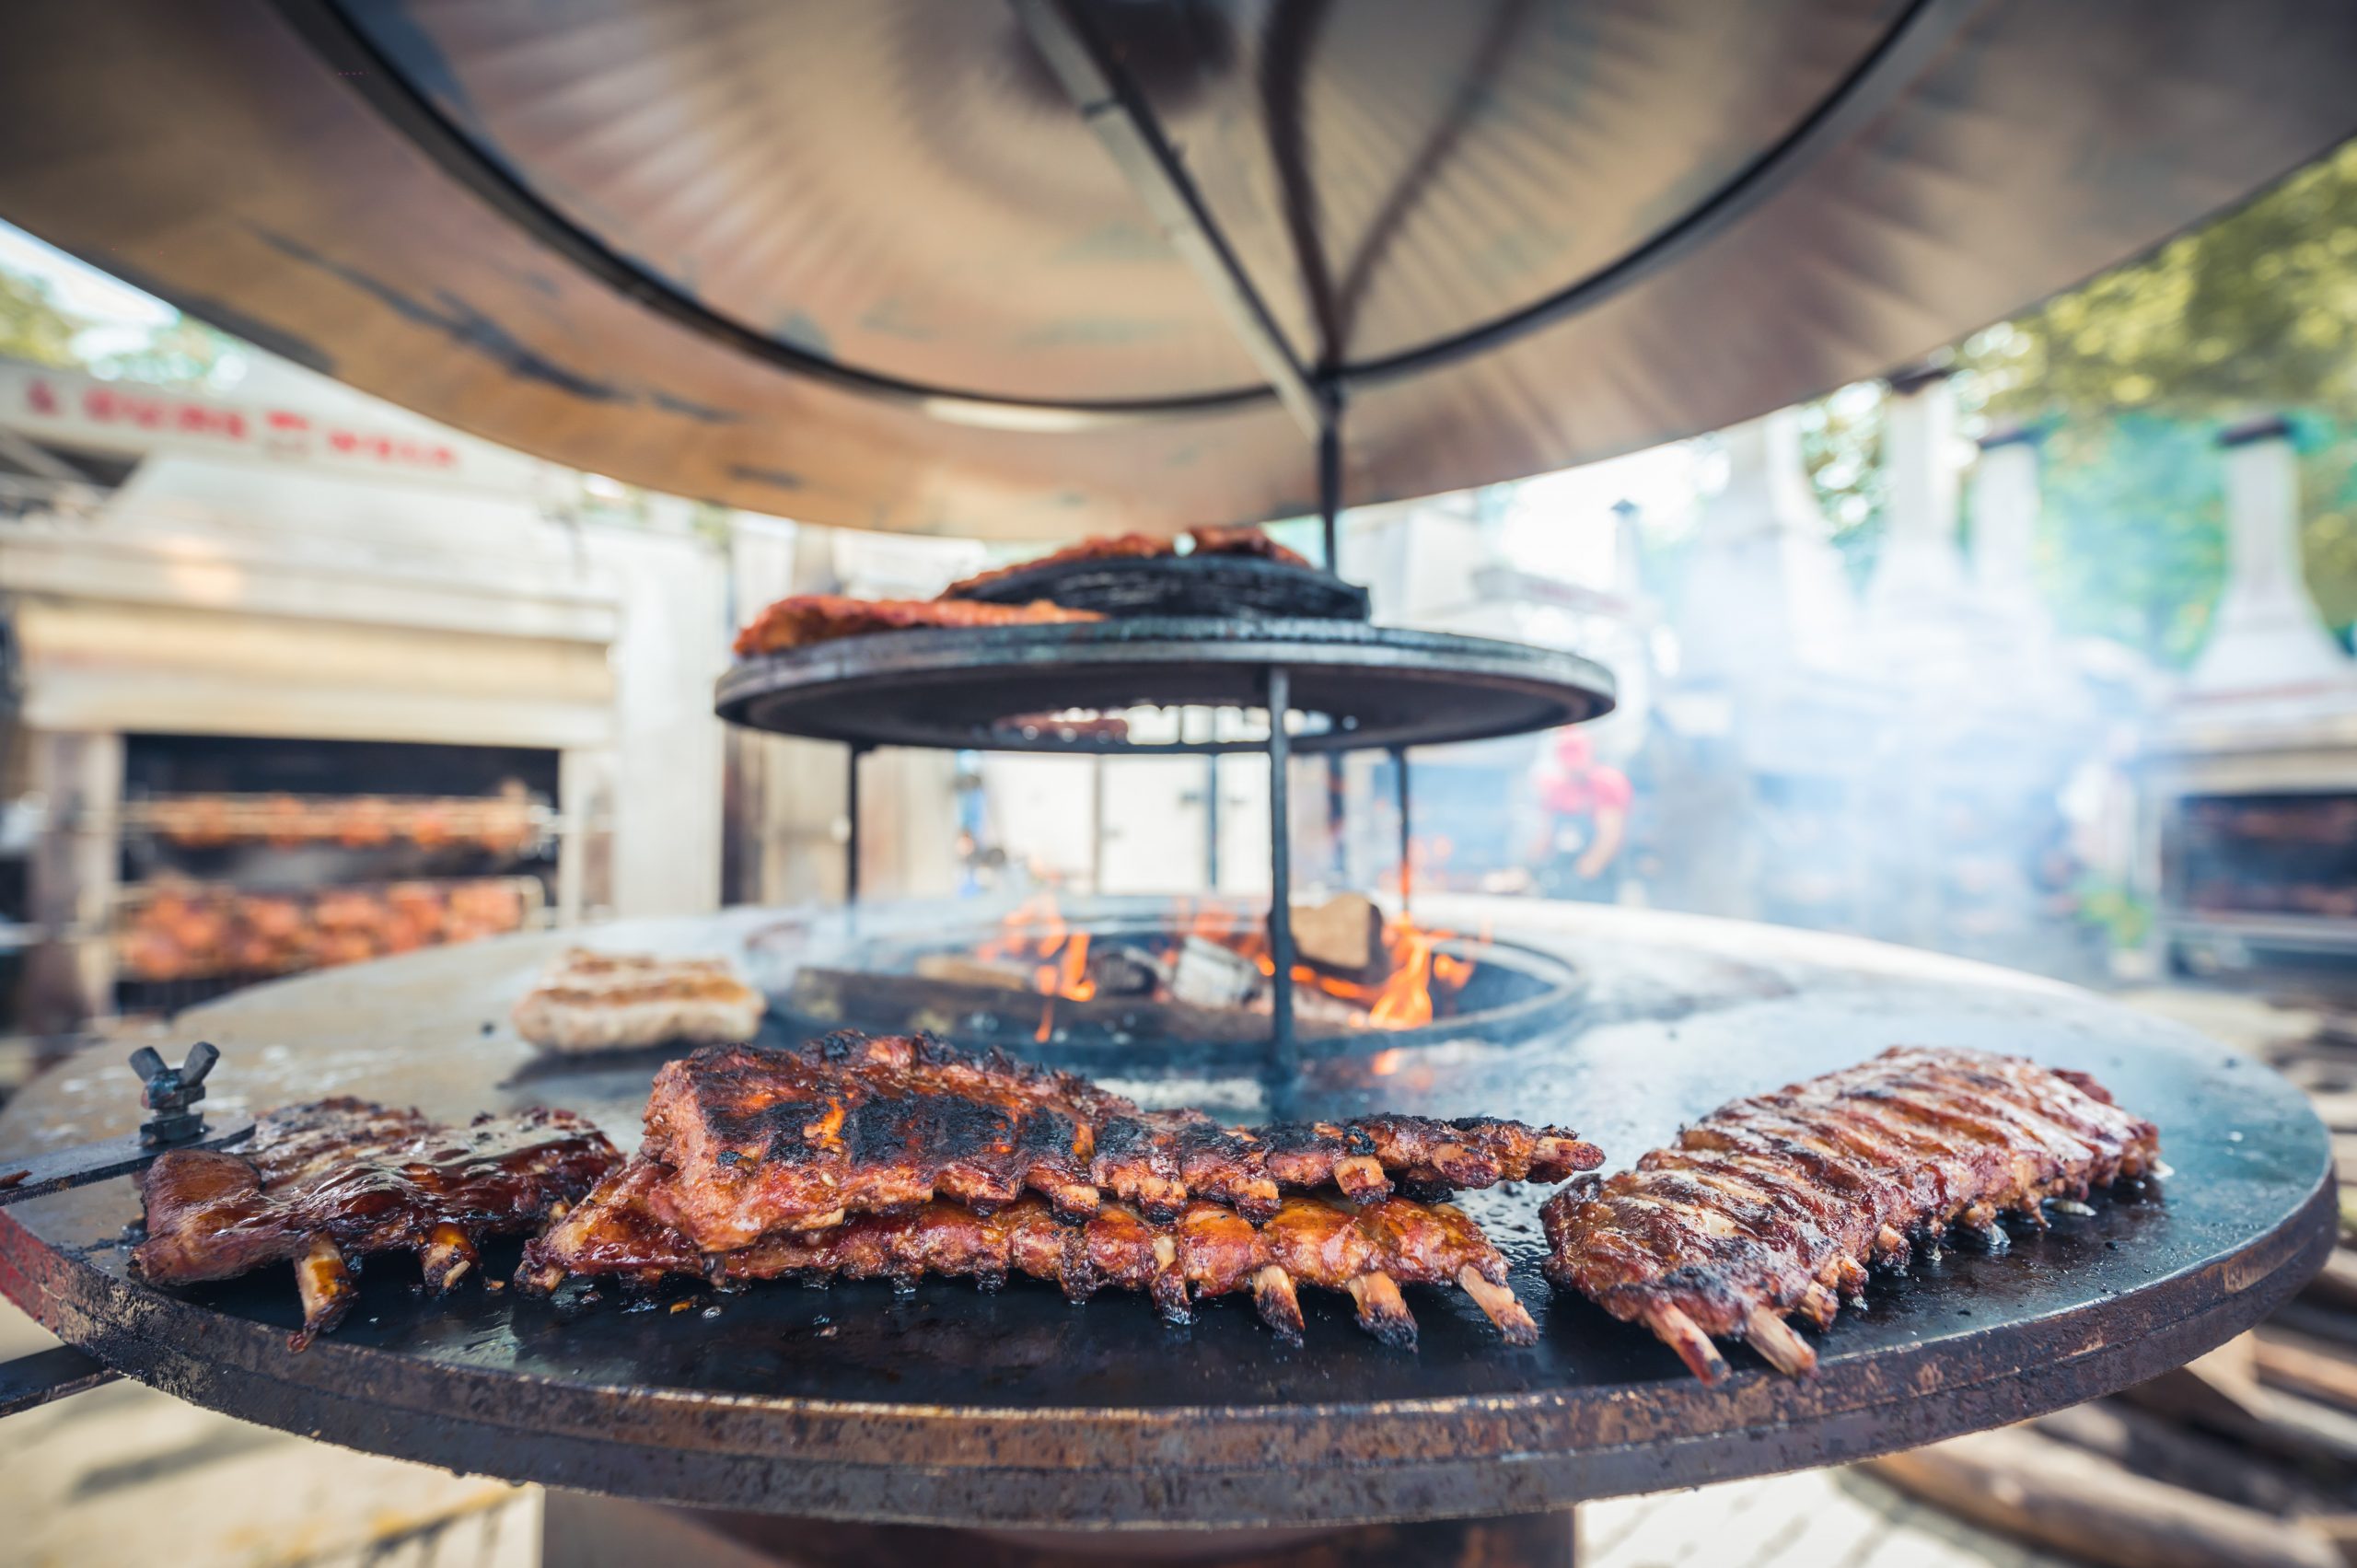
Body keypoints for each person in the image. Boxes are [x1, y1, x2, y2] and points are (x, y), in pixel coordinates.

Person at [1529, 728, 1632, 902]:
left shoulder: (1606, 783)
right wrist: (1531, 868)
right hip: (1561, 869)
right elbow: (1546, 834)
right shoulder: (1556, 786)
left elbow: (1610, 837)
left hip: (1596, 879)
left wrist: (1582, 875)